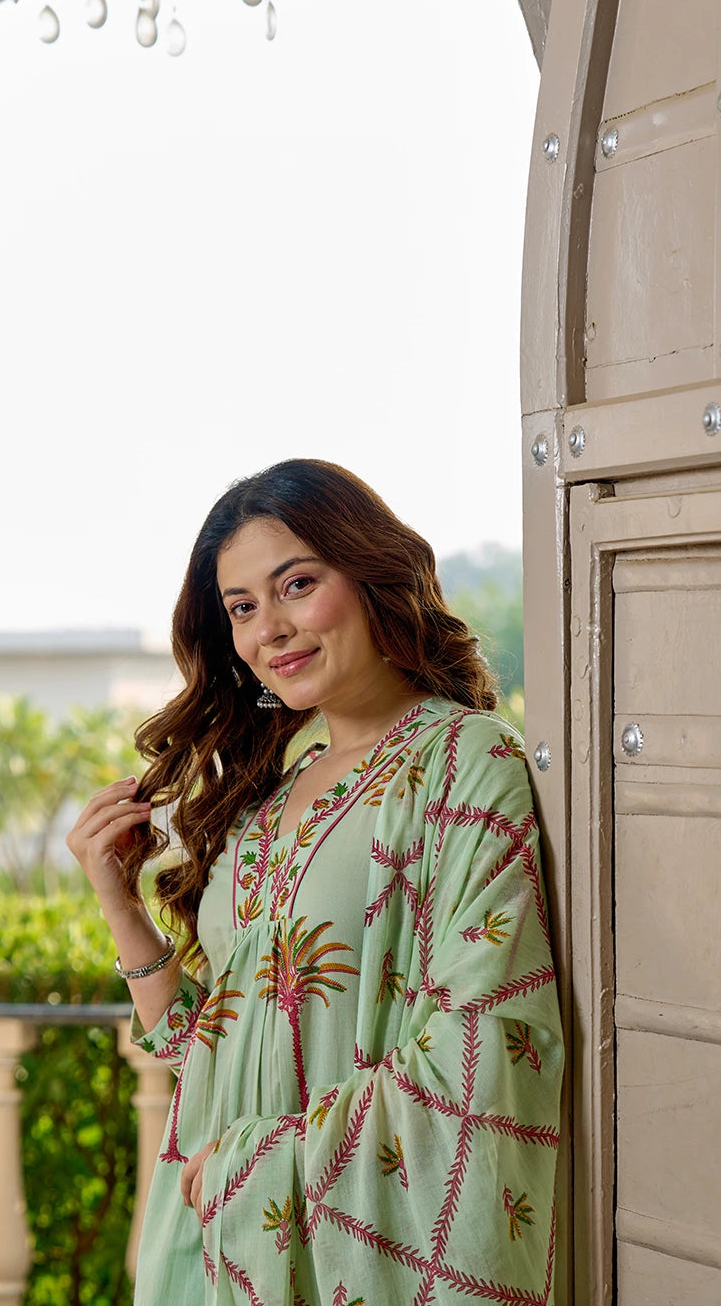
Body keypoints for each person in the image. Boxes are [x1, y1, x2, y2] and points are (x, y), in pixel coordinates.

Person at [68, 460, 562, 1306]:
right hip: (208, 1244)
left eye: (297, 584)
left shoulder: (466, 762)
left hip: (332, 1252)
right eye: (242, 608)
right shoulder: (266, 799)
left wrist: (266, 1162)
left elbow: (484, 1044)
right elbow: (210, 1057)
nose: (271, 629)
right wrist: (121, 905)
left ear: (371, 575)